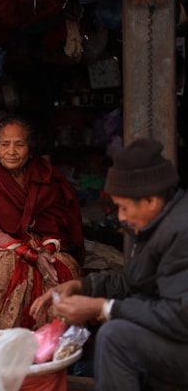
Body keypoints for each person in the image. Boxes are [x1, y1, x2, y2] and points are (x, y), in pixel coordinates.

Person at [30, 138, 188, 390]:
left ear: (151, 201)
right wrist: (82, 286)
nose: (121, 217)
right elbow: (136, 281)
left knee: (115, 338)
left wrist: (104, 308)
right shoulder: (155, 224)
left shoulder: (181, 230)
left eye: (124, 208)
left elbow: (181, 316)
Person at [0, 114, 84, 330]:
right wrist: (29, 254)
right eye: (5, 145)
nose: (11, 152)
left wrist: (45, 251)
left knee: (64, 268)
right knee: (8, 266)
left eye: (19, 145)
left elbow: (57, 221)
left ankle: (51, 339)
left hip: (39, 239)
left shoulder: (45, 175)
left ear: (30, 149)